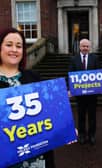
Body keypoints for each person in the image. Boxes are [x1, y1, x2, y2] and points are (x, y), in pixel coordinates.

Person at [0, 27, 55, 168]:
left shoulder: (34, 78)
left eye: (19, 46)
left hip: (37, 159)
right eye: (9, 45)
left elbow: (48, 115)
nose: (14, 49)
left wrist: (64, 130)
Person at [69, 38, 100, 145]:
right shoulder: (74, 59)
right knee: (81, 115)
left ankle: (92, 135)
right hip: (80, 95)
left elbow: (99, 74)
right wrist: (70, 89)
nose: (85, 48)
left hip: (92, 94)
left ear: (89, 47)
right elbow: (70, 75)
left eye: (87, 46)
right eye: (83, 46)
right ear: (80, 47)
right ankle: (81, 135)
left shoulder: (95, 58)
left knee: (92, 116)